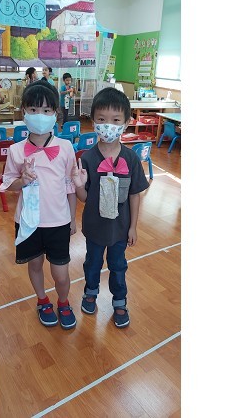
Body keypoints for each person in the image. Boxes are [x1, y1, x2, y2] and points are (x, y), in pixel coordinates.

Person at [0, 80, 78, 330]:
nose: (39, 115)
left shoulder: (65, 147)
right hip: (28, 221)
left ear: (55, 113)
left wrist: (73, 218)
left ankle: (63, 302)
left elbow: (70, 186)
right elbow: (8, 184)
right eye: (33, 109)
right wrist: (21, 181)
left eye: (46, 110)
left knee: (61, 273)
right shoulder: (15, 150)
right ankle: (42, 300)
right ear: (24, 111)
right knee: (34, 265)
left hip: (58, 221)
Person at [71, 87, 150, 328]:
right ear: (93, 121)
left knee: (118, 266)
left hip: (120, 229)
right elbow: (84, 198)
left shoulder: (131, 158)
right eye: (102, 119)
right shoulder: (87, 158)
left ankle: (119, 301)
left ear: (126, 123)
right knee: (92, 263)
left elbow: (135, 194)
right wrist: (79, 185)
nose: (108, 126)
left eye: (116, 120)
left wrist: (133, 227)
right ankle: (90, 292)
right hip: (95, 227)